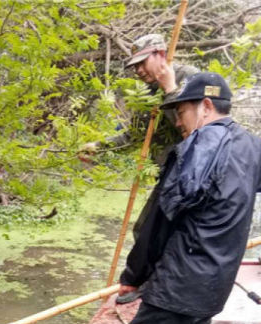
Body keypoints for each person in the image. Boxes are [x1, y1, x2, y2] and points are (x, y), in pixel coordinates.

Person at [89, 72, 261, 324]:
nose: (178, 123)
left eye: (182, 113)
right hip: (217, 283)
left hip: (180, 281)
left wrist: (134, 274)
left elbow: (157, 222)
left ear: (205, 106)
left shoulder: (194, 149)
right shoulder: (257, 148)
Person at [80, 35, 199, 304]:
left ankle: (156, 287)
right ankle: (152, 285)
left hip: (192, 170)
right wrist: (99, 148)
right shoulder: (144, 92)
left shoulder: (189, 77)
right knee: (148, 229)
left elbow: (194, 130)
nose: (139, 71)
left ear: (160, 53)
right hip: (166, 172)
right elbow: (134, 136)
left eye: (142, 62)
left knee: (156, 230)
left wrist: (170, 89)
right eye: (135, 66)